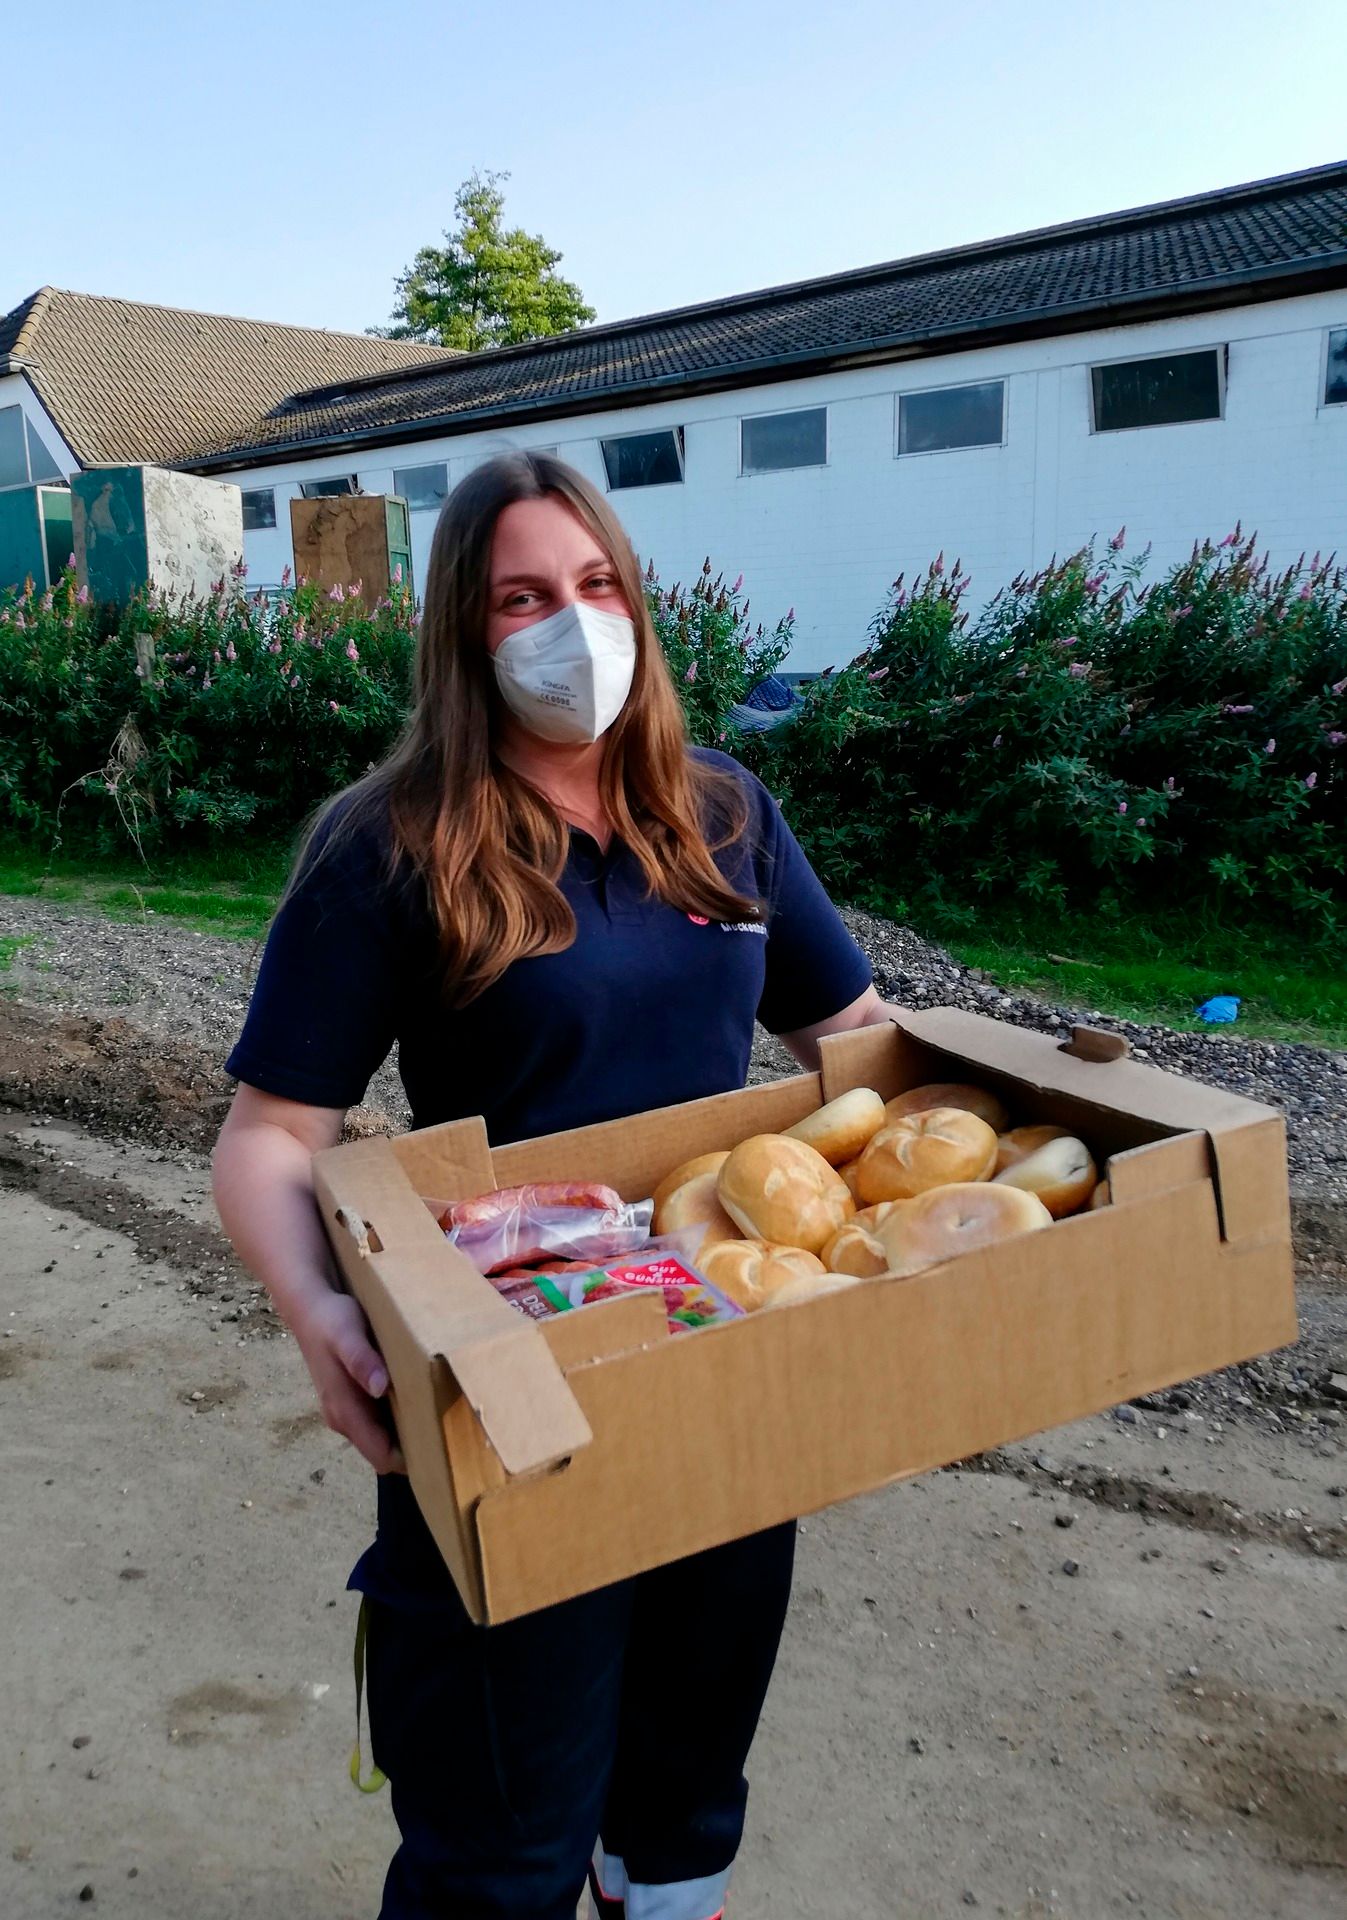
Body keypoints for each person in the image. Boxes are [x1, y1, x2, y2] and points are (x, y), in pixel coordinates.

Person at [212, 452, 895, 1920]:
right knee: (503, 1841)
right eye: (521, 598)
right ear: (464, 628)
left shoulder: (724, 813)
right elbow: (270, 1134)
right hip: (515, 1384)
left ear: (636, 602)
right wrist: (317, 1312)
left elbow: (853, 1044)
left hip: (726, 1365)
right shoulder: (391, 845)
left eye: (595, 586)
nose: (571, 625)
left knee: (685, 1795)